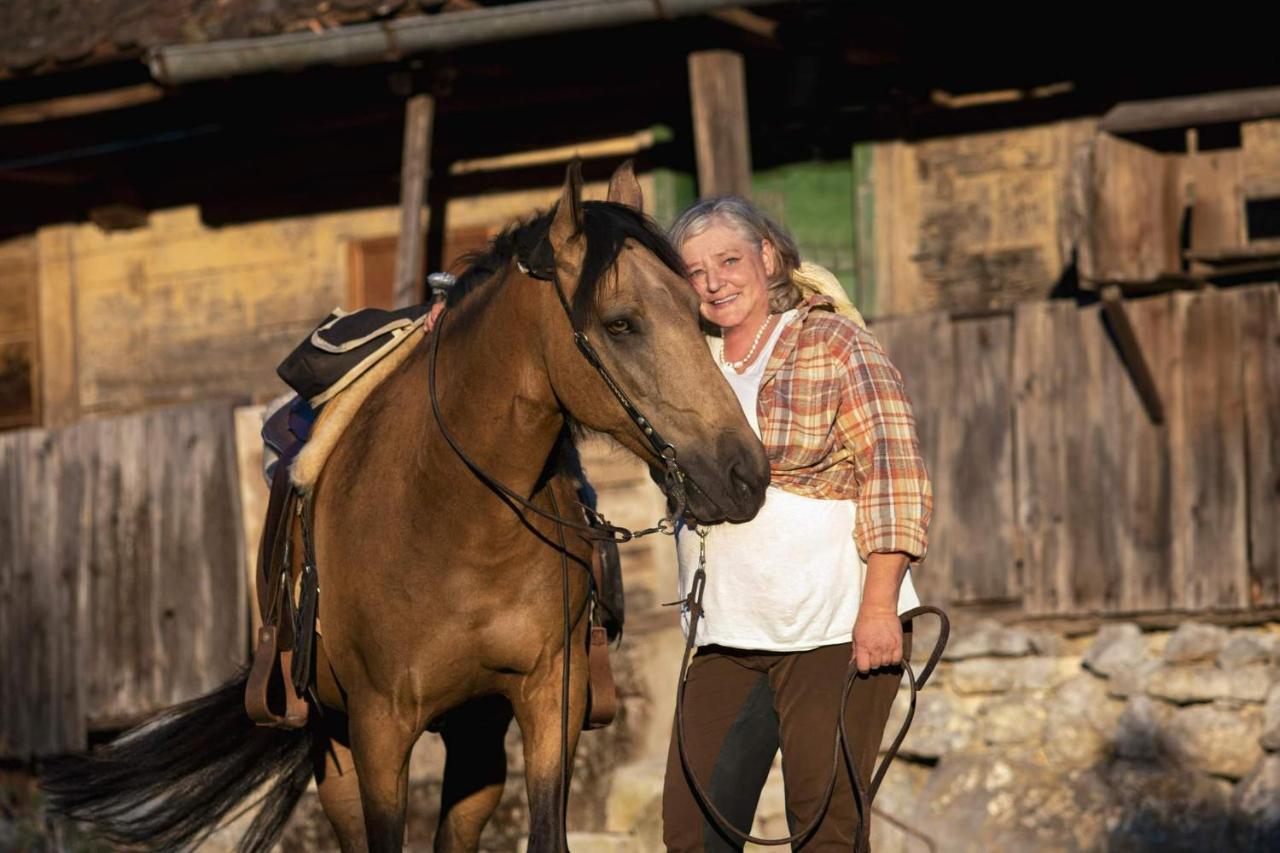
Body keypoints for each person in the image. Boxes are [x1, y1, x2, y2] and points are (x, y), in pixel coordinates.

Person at [662, 197, 932, 852]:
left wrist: (879, 607)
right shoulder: (685, 364)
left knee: (824, 830)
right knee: (693, 832)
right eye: (695, 271)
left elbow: (892, 470)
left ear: (769, 257)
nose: (715, 281)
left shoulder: (830, 341)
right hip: (727, 633)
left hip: (833, 628)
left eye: (729, 260)